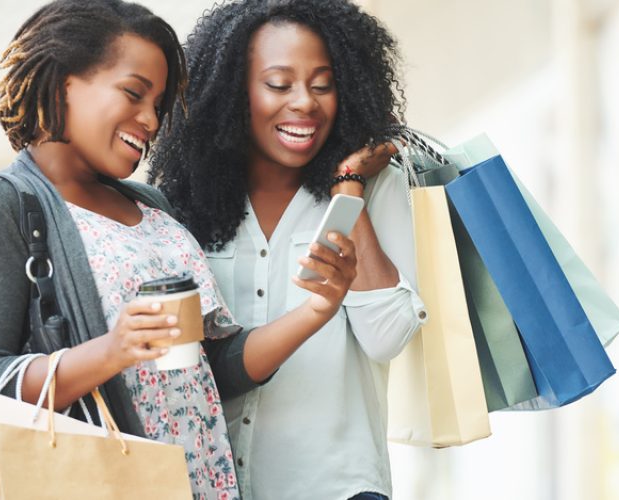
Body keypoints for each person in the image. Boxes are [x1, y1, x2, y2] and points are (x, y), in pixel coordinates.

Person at [0, 1, 356, 497]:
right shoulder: (2, 205)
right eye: (134, 94)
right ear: (63, 83)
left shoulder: (153, 207)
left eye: (158, 105)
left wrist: (315, 311)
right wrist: (110, 352)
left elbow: (214, 367)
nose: (151, 121)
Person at [149, 1, 426, 498]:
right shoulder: (183, 200)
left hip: (336, 485)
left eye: (322, 85)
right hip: (212, 485)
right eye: (279, 85)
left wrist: (348, 188)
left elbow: (387, 338)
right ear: (235, 92)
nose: (304, 102)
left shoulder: (377, 186)